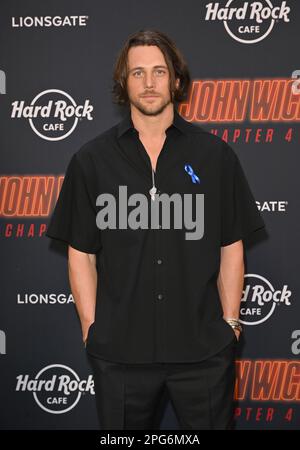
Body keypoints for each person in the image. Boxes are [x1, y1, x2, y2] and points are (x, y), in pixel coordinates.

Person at [46, 29, 265, 429]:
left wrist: (231, 322)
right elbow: (81, 252)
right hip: (119, 356)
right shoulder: (91, 160)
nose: (149, 83)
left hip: (202, 352)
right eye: (138, 73)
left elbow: (231, 245)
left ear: (176, 80)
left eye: (159, 72)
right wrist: (91, 329)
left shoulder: (215, 155)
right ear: (123, 83)